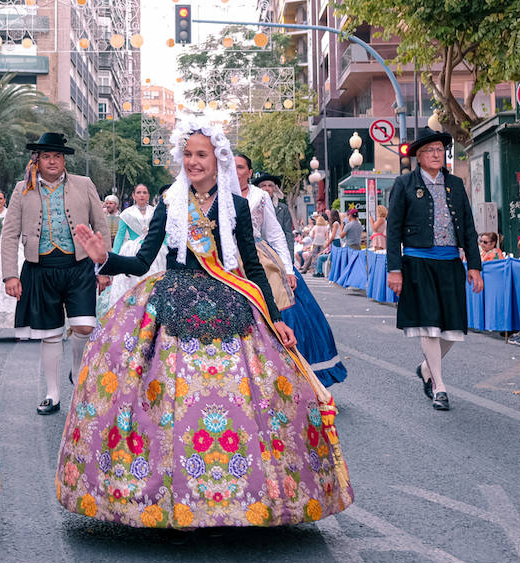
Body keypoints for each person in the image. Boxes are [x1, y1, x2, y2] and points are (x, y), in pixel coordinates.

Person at [61, 119, 353, 530]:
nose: (194, 162)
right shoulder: (169, 201)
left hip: (231, 300)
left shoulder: (235, 206)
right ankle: (171, 496)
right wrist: (103, 257)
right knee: (163, 400)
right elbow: (143, 261)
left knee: (248, 400)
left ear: (218, 161)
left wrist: (277, 319)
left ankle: (243, 494)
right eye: (188, 155)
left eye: (202, 155)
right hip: (173, 300)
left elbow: (251, 266)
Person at [0, 131, 111, 414]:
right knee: (49, 334)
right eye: (46, 156)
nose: (52, 161)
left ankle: (76, 370)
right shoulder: (21, 189)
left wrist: (104, 268)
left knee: (85, 326)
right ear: (36, 160)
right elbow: (10, 233)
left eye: (57, 156)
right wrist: (10, 274)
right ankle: (52, 393)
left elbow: (101, 225)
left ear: (64, 160)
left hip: (79, 267)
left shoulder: (83, 184)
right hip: (41, 269)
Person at [385, 131, 483, 412]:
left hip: (450, 262)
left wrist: (474, 266)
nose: (437, 155)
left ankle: (426, 367)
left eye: (440, 149)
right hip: (417, 262)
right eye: (430, 150)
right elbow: (392, 232)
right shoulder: (404, 184)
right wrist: (395, 269)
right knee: (429, 324)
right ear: (419, 156)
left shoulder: (454, 184)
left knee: (452, 330)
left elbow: (468, 227)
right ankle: (439, 386)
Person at [236, 154, 347, 387]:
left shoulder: (260, 197)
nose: (235, 171)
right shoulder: (217, 193)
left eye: (240, 167)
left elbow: (275, 233)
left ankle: (293, 374)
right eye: (231, 167)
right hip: (225, 259)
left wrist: (288, 268)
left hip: (258, 256)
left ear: (249, 171)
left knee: (283, 309)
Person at [97, 182, 158, 317]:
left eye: (144, 192)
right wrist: (113, 259)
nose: (142, 195)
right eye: (138, 193)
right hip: (132, 252)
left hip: (153, 250)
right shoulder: (126, 214)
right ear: (133, 195)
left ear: (149, 195)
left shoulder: (156, 212)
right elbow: (119, 237)